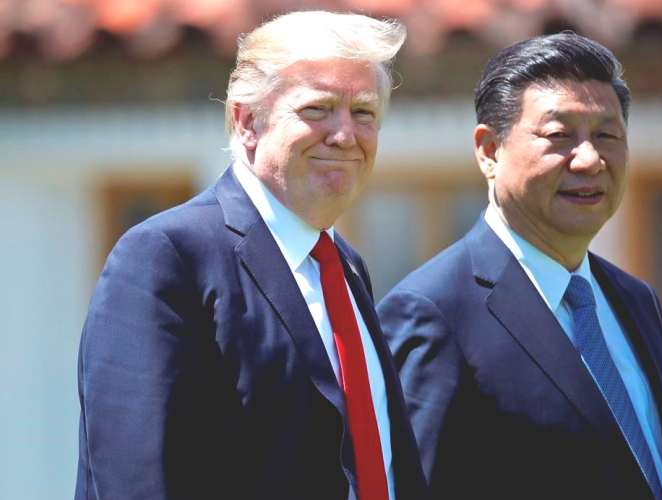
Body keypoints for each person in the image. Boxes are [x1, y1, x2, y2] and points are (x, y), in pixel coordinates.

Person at [75, 11, 427, 500]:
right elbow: (140, 480)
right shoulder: (167, 256)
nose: (345, 134)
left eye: (364, 112)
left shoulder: (344, 267)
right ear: (247, 122)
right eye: (318, 108)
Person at [378, 33, 662, 500]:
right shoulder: (434, 312)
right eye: (558, 136)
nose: (589, 159)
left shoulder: (635, 300)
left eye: (607, 135)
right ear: (490, 151)